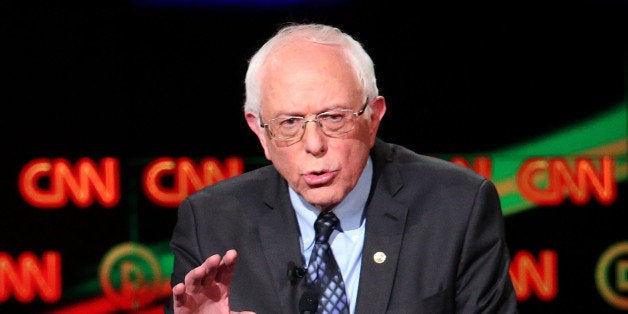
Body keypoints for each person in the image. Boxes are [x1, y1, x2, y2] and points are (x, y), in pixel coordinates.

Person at [165, 23, 518, 314]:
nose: (314, 145)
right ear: (260, 132)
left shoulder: (456, 208)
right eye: (289, 123)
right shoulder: (209, 222)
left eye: (333, 118)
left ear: (373, 118)